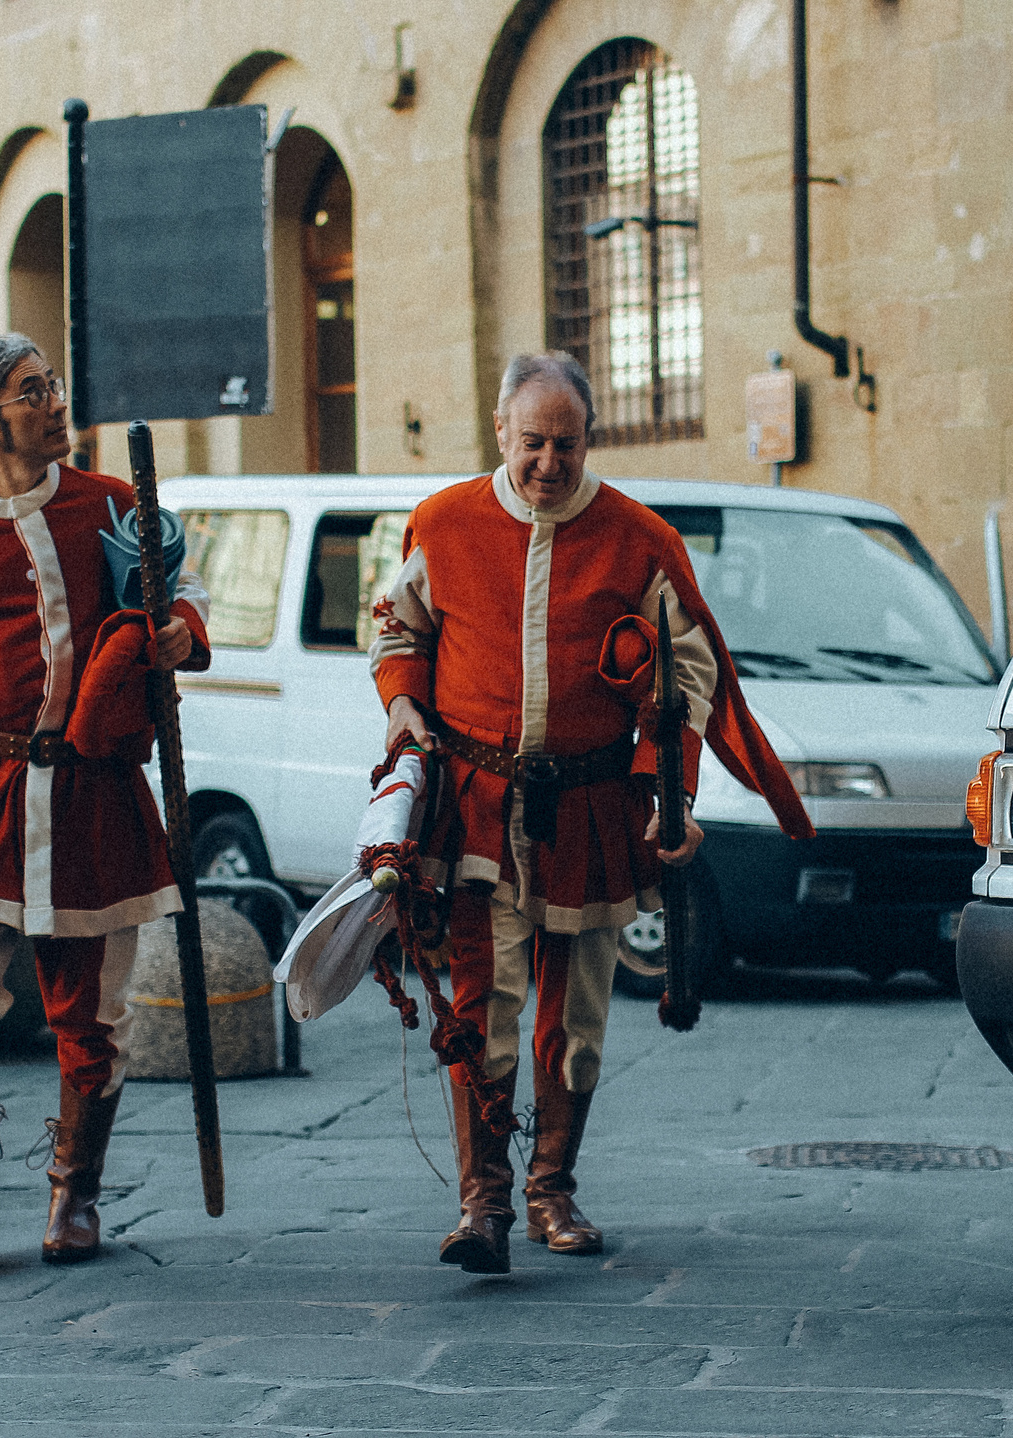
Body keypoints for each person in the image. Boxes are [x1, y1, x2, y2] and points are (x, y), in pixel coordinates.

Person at [371, 352, 812, 1274]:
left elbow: (687, 669)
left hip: (592, 809)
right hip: (479, 808)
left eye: (565, 446)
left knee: (574, 1016)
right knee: (480, 1003)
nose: (547, 464)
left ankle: (550, 1189)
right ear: (502, 432)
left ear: (588, 441)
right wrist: (404, 701)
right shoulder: (443, 523)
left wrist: (667, 781)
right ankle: (482, 1204)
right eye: (531, 443)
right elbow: (400, 629)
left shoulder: (638, 538)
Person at [0, 332, 207, 1265]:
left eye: (54, 384)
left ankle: (75, 1195)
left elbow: (185, 584)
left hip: (96, 796)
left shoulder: (112, 505)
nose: (55, 403)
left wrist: (178, 627)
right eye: (31, 392)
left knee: (95, 1010)